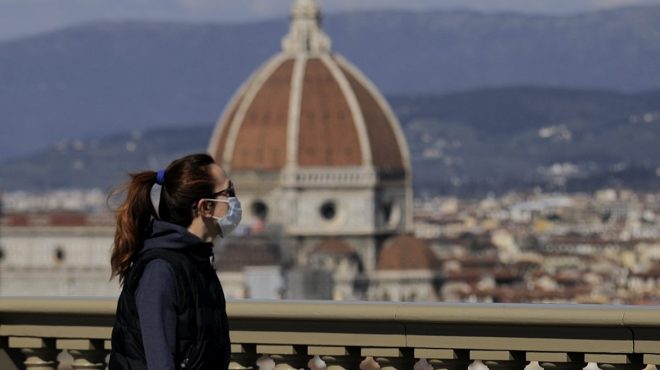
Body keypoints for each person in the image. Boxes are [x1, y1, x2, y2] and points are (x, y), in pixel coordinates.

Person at [108, 153, 242, 370]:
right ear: (205, 207)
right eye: (229, 192)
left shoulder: (198, 263)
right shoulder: (160, 270)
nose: (234, 201)